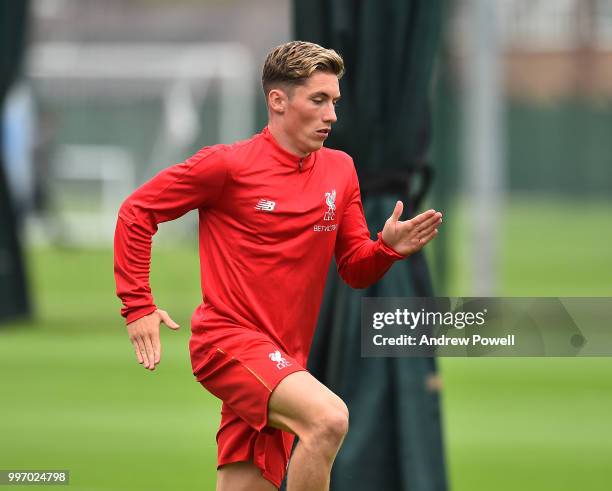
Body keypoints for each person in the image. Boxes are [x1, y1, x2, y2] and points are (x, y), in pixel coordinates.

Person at [114, 41, 443, 491]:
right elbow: (137, 211)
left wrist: (386, 247)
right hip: (226, 344)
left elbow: (353, 267)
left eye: (335, 102)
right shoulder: (227, 166)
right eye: (319, 100)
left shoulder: (340, 170)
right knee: (328, 419)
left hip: (284, 361)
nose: (331, 116)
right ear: (278, 100)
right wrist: (138, 305)